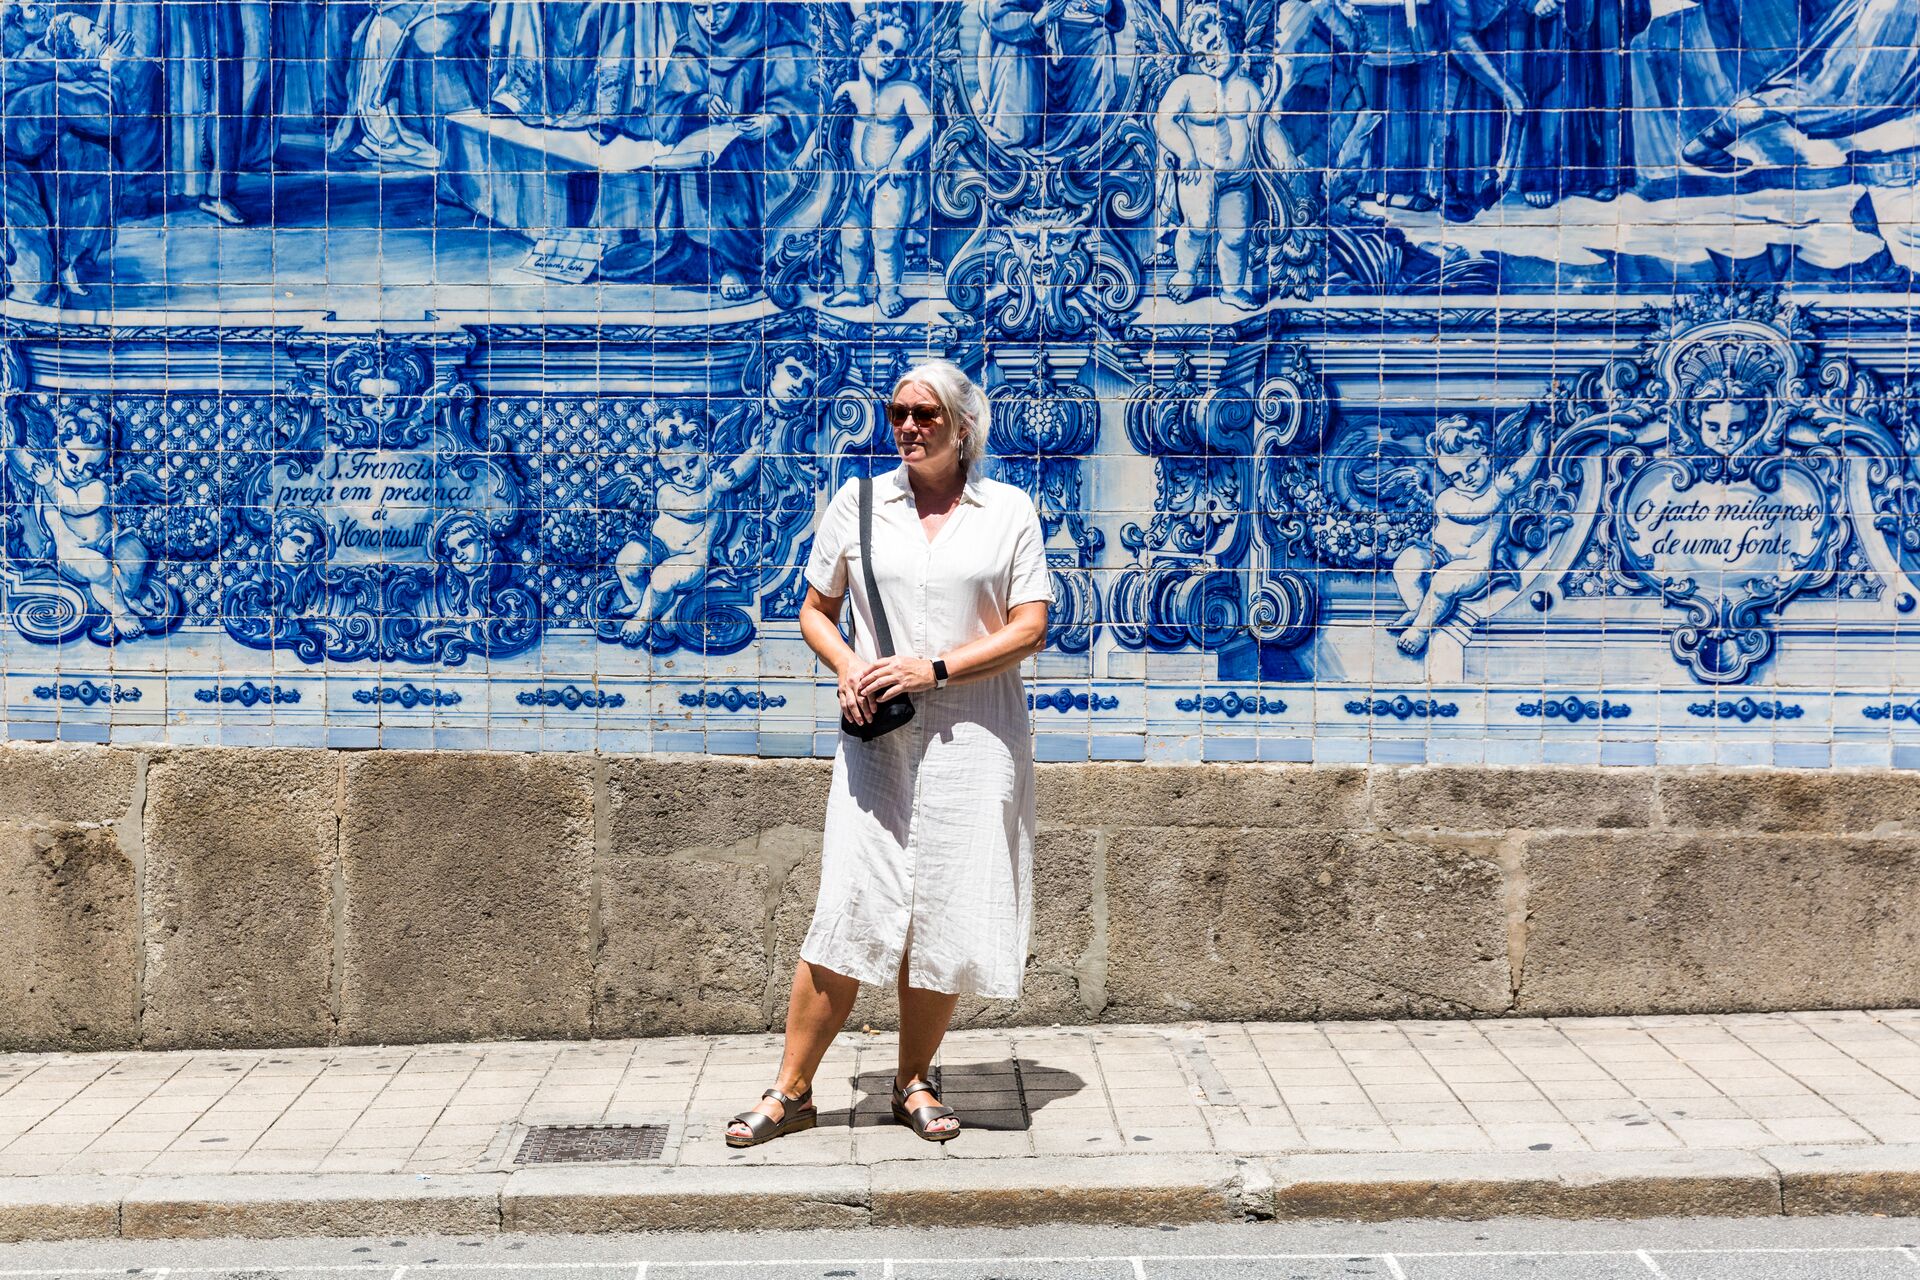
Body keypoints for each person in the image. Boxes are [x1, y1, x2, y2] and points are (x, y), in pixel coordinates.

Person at [725, 360, 1051, 1148]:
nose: (907, 426)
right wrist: (849, 669)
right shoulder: (859, 503)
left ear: (962, 427)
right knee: (850, 902)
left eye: (925, 414)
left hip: (975, 735)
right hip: (879, 739)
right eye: (898, 412)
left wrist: (933, 666)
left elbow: (1030, 624)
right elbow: (814, 611)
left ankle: (912, 1080)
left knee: (941, 906)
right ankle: (791, 1090)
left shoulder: (1006, 511)